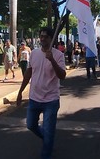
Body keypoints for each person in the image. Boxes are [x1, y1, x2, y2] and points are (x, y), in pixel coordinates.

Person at [16, 27, 66, 159]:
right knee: (31, 125)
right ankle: (48, 140)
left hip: (51, 100)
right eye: (41, 36)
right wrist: (20, 92)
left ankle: (47, 151)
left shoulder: (58, 55)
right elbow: (28, 73)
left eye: (46, 36)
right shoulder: (34, 53)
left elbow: (62, 76)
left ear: (51, 39)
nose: (43, 38)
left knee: (49, 131)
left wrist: (52, 60)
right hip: (34, 99)